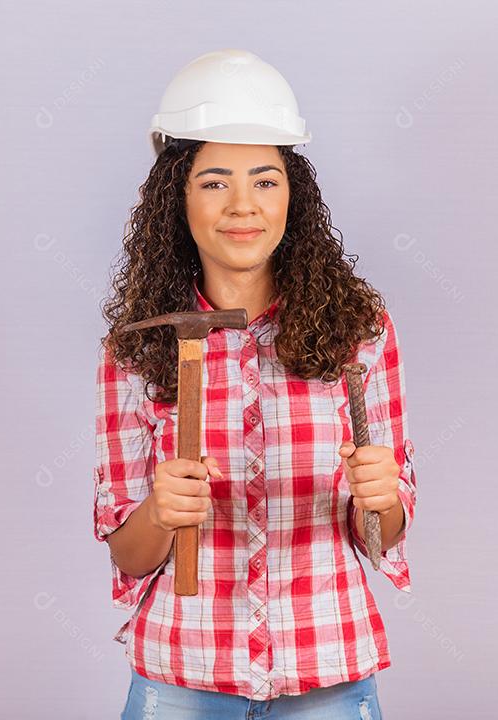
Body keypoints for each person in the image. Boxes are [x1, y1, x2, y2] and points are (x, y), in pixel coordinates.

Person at [93, 49, 417, 719]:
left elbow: (382, 534)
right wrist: (161, 511)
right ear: (176, 196)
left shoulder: (361, 330)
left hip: (326, 671)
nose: (243, 206)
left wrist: (382, 498)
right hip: (183, 675)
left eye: (265, 181)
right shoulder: (137, 349)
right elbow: (127, 552)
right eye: (215, 182)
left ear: (293, 194)